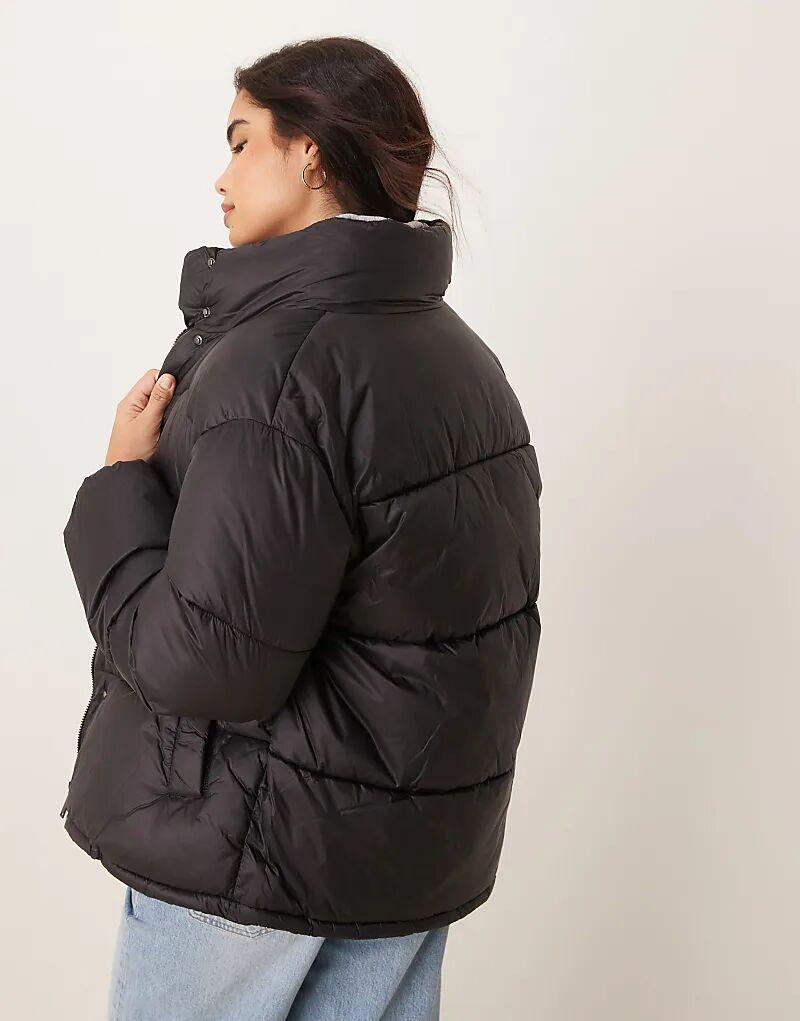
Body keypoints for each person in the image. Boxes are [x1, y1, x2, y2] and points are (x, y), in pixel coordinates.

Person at [60, 36, 542, 1020]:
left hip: (251, 854)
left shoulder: (278, 367)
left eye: (242, 141)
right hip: (404, 861)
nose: (221, 176)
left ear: (310, 152)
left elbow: (207, 668)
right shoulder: (464, 361)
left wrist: (117, 487)